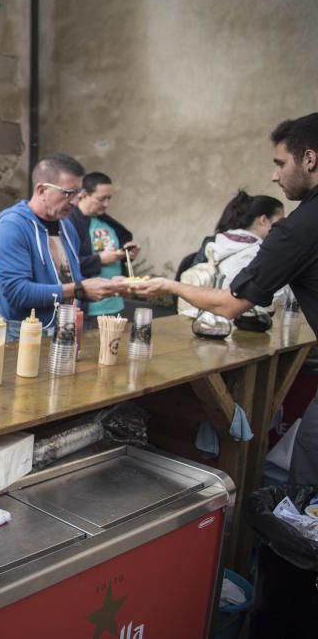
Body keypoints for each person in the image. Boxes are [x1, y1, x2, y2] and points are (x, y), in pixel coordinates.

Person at [132, 113, 318, 483]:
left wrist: (169, 286)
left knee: (307, 478)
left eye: (280, 163)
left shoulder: (298, 230)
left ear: (310, 159)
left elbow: (231, 304)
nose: (274, 176)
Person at [0, 153, 122, 339]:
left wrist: (104, 285)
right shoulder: (12, 227)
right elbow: (16, 292)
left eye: (78, 194)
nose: (75, 202)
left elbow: (68, 278)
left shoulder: (66, 225)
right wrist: (79, 289)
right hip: (23, 334)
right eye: (68, 193)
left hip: (65, 329)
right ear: (42, 190)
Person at [67, 172, 140, 319]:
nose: (106, 204)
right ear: (84, 195)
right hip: (88, 307)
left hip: (115, 305)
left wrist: (127, 253)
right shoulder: (70, 223)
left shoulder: (107, 221)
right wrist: (100, 260)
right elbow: (67, 265)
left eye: (109, 198)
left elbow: (122, 241)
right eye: (101, 199)